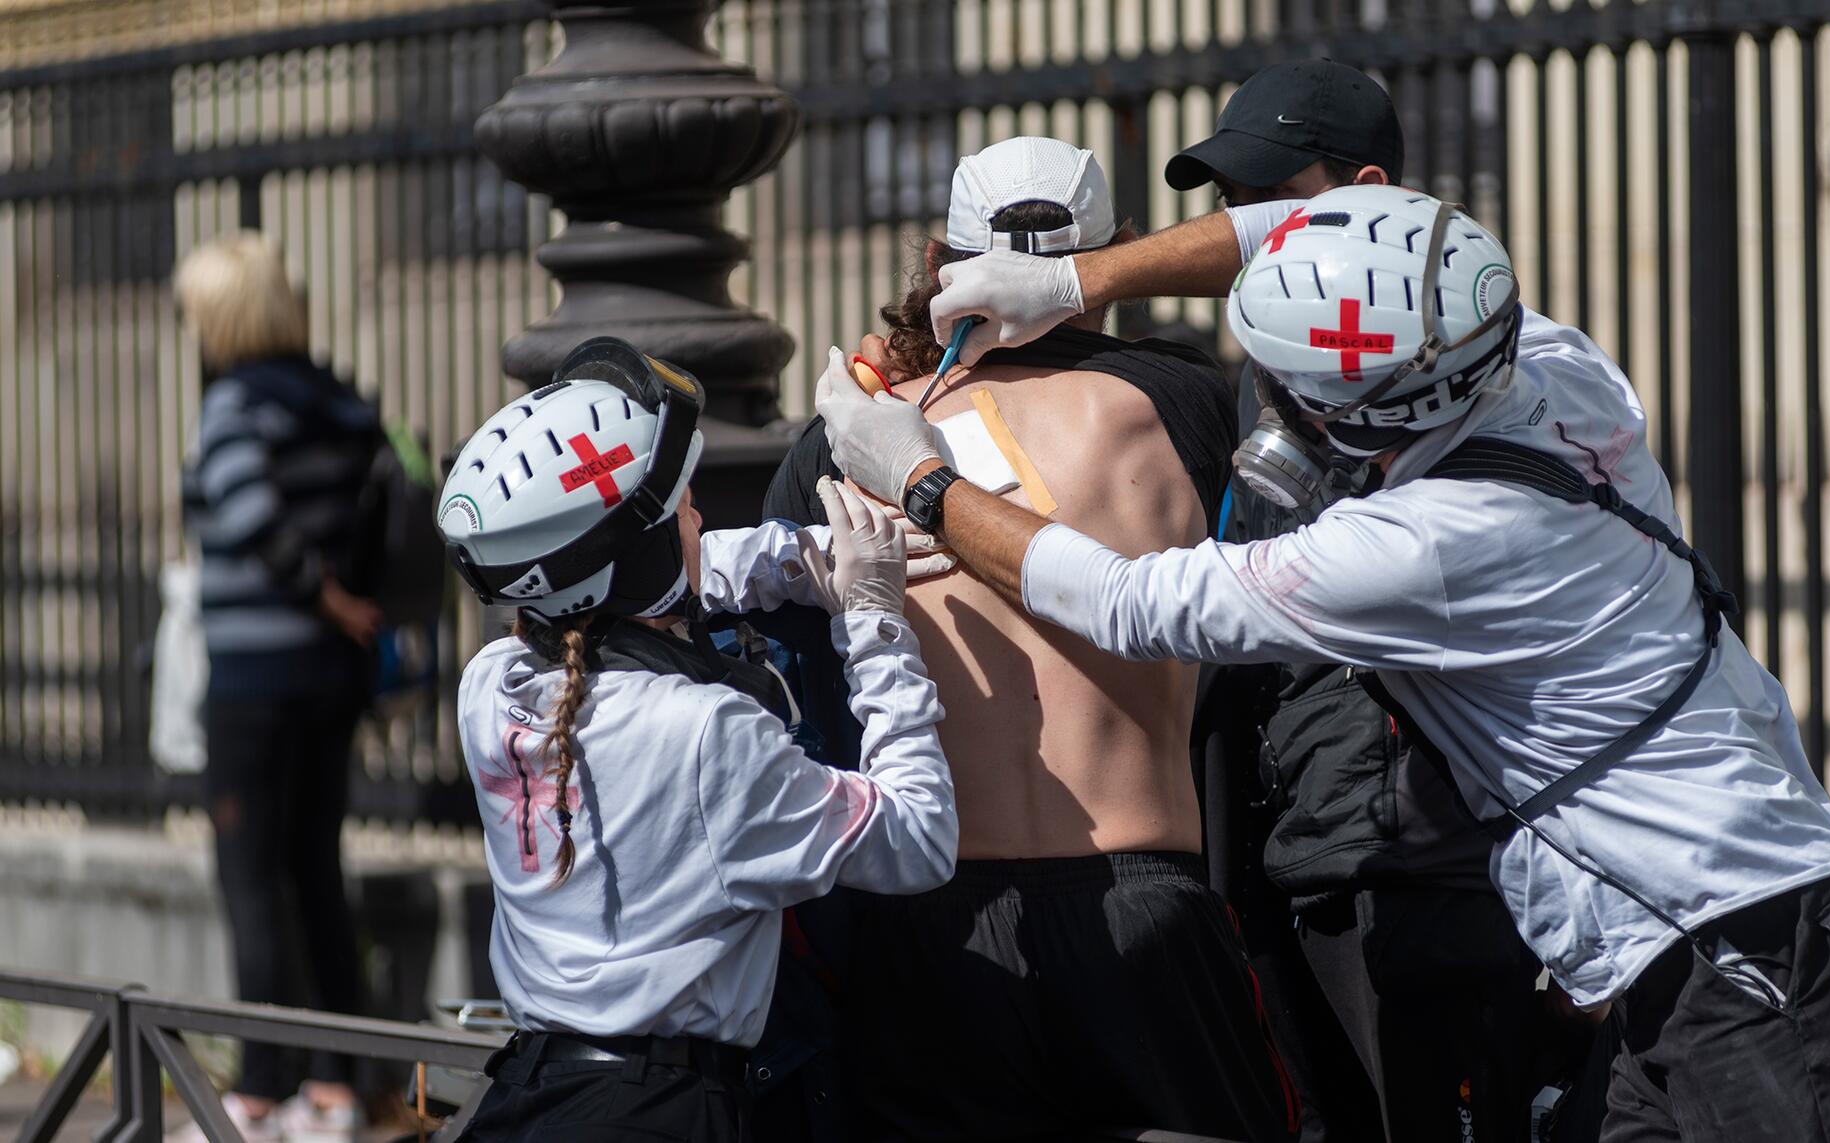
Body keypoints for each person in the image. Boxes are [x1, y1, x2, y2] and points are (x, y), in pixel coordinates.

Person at [817, 184, 1830, 1143]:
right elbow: (1309, 228)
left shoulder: (1418, 547)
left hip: (1757, 970)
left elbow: (1127, 600)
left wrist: (921, 481)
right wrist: (1076, 282)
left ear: (1336, 416)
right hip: (1703, 953)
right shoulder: (1545, 361)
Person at [762, 136, 1294, 1143]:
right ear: (1117, 254)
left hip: (933, 925)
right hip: (1141, 900)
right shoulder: (1179, 402)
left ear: (934, 264)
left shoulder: (850, 433)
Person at [1166, 62, 1592, 1143]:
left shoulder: (1461, 358)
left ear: (1362, 187)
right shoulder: (1266, 364)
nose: (1238, 227)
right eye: (1226, 201)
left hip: (1413, 865)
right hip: (1300, 849)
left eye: (1265, 199)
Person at [437, 338, 957, 1142]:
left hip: (528, 1101)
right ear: (641, 559)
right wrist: (874, 621)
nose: (701, 515)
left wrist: (794, 560)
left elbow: (625, 587)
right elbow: (919, 835)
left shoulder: (492, 685)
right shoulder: (709, 734)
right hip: (661, 1114)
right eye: (682, 503)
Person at [174, 234, 382, 1143]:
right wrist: (345, 602)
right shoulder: (338, 399)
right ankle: (341, 1083)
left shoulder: (233, 404)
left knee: (251, 875)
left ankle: (261, 1089)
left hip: (256, 677)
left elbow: (248, 508)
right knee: (315, 868)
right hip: (332, 676)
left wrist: (318, 592)